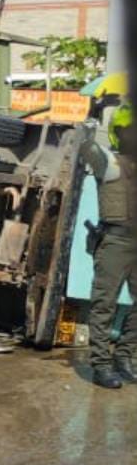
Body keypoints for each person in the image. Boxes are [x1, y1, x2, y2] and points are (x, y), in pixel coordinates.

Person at [81, 100, 137, 389]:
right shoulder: (109, 161)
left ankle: (124, 358)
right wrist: (90, 120)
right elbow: (85, 149)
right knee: (104, 304)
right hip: (115, 241)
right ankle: (101, 365)